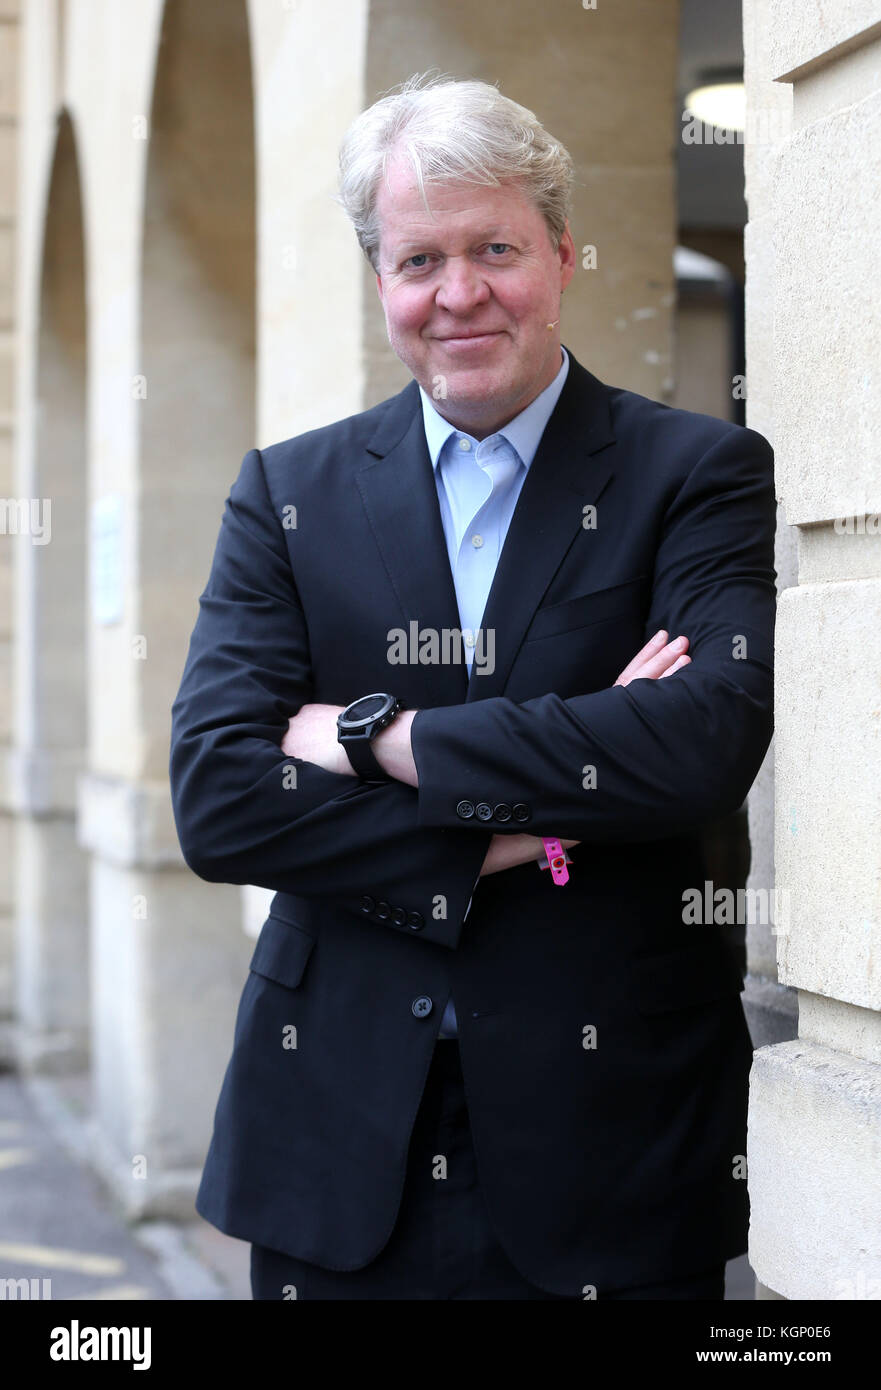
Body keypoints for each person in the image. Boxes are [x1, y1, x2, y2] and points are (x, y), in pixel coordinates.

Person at [169, 72, 776, 1300]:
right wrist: (524, 826)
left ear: (559, 251)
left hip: (611, 1139)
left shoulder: (693, 474)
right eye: (417, 260)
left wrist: (380, 737)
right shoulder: (288, 496)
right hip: (338, 1136)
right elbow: (220, 798)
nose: (457, 295)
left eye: (494, 248)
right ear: (379, 279)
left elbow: (701, 739)